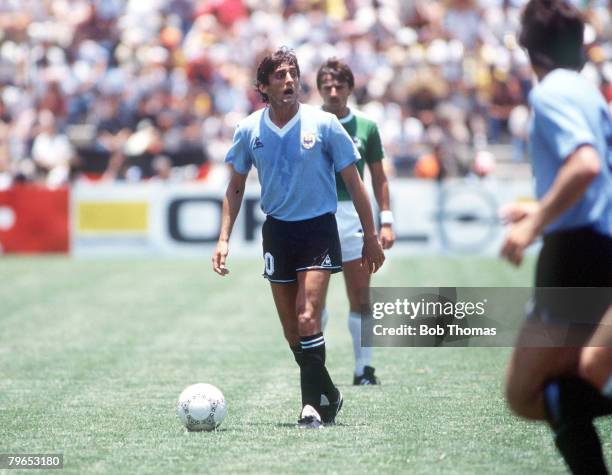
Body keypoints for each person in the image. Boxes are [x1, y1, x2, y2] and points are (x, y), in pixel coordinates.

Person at [212, 48, 385, 429]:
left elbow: (357, 186)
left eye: (292, 74)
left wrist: (370, 235)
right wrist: (223, 238)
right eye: (279, 76)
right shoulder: (248, 130)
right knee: (292, 329)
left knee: (309, 315)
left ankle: (311, 406)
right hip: (277, 232)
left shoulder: (323, 124)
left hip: (319, 230)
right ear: (263, 86)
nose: (289, 81)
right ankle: (330, 393)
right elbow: (235, 187)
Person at [501, 0, 612, 472]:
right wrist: (540, 208)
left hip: (578, 256)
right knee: (587, 374)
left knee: (526, 393)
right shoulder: (590, 92)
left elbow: (585, 165)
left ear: (529, 49)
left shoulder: (551, 94)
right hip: (591, 247)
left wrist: (535, 221)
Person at [316, 58, 395, 385]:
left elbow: (379, 177)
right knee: (312, 298)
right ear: (319, 89)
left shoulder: (367, 126)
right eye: (327, 86)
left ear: (350, 88)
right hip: (317, 215)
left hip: (354, 218)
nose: (333, 91)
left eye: (339, 85)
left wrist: (386, 219)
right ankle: (315, 370)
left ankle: (364, 368)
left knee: (361, 295)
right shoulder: (308, 123)